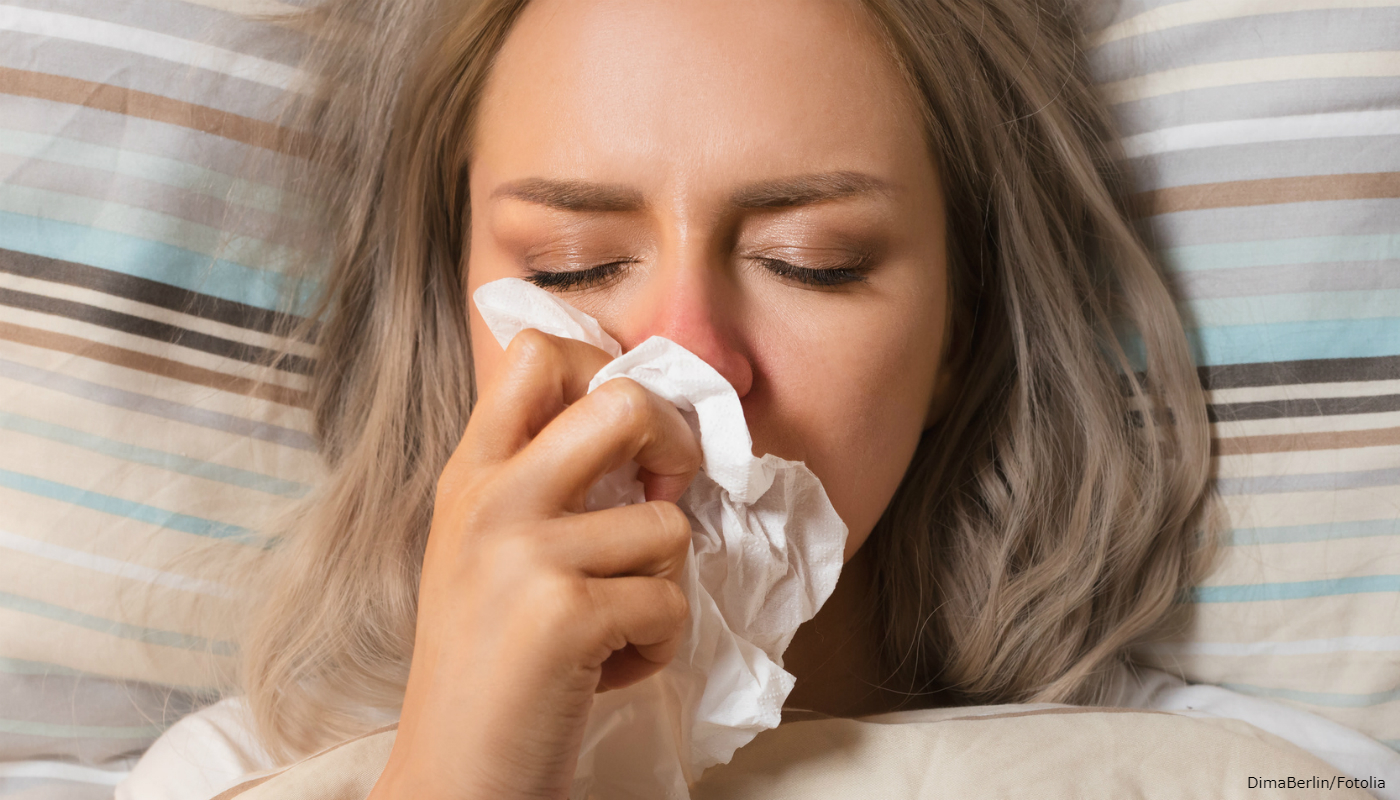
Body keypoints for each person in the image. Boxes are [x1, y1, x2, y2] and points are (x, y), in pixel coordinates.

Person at [118, 0, 1236, 796]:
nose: (689, 362)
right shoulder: (238, 773)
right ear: (447, 308)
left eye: (813, 262)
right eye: (571, 266)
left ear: (962, 327)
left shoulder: (1199, 770)